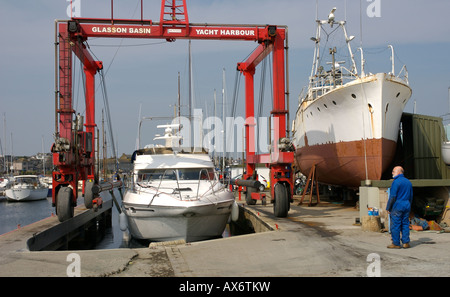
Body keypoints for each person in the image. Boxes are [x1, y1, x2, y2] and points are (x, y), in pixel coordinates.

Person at [386, 166, 414, 249]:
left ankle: (396, 243)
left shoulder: (396, 182)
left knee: (395, 225)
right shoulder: (408, 182)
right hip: (407, 205)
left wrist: (388, 207)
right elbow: (411, 196)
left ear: (399, 172)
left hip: (397, 206)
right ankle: (406, 243)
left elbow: (393, 196)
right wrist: (409, 205)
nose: (392, 173)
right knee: (405, 224)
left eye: (393, 171)